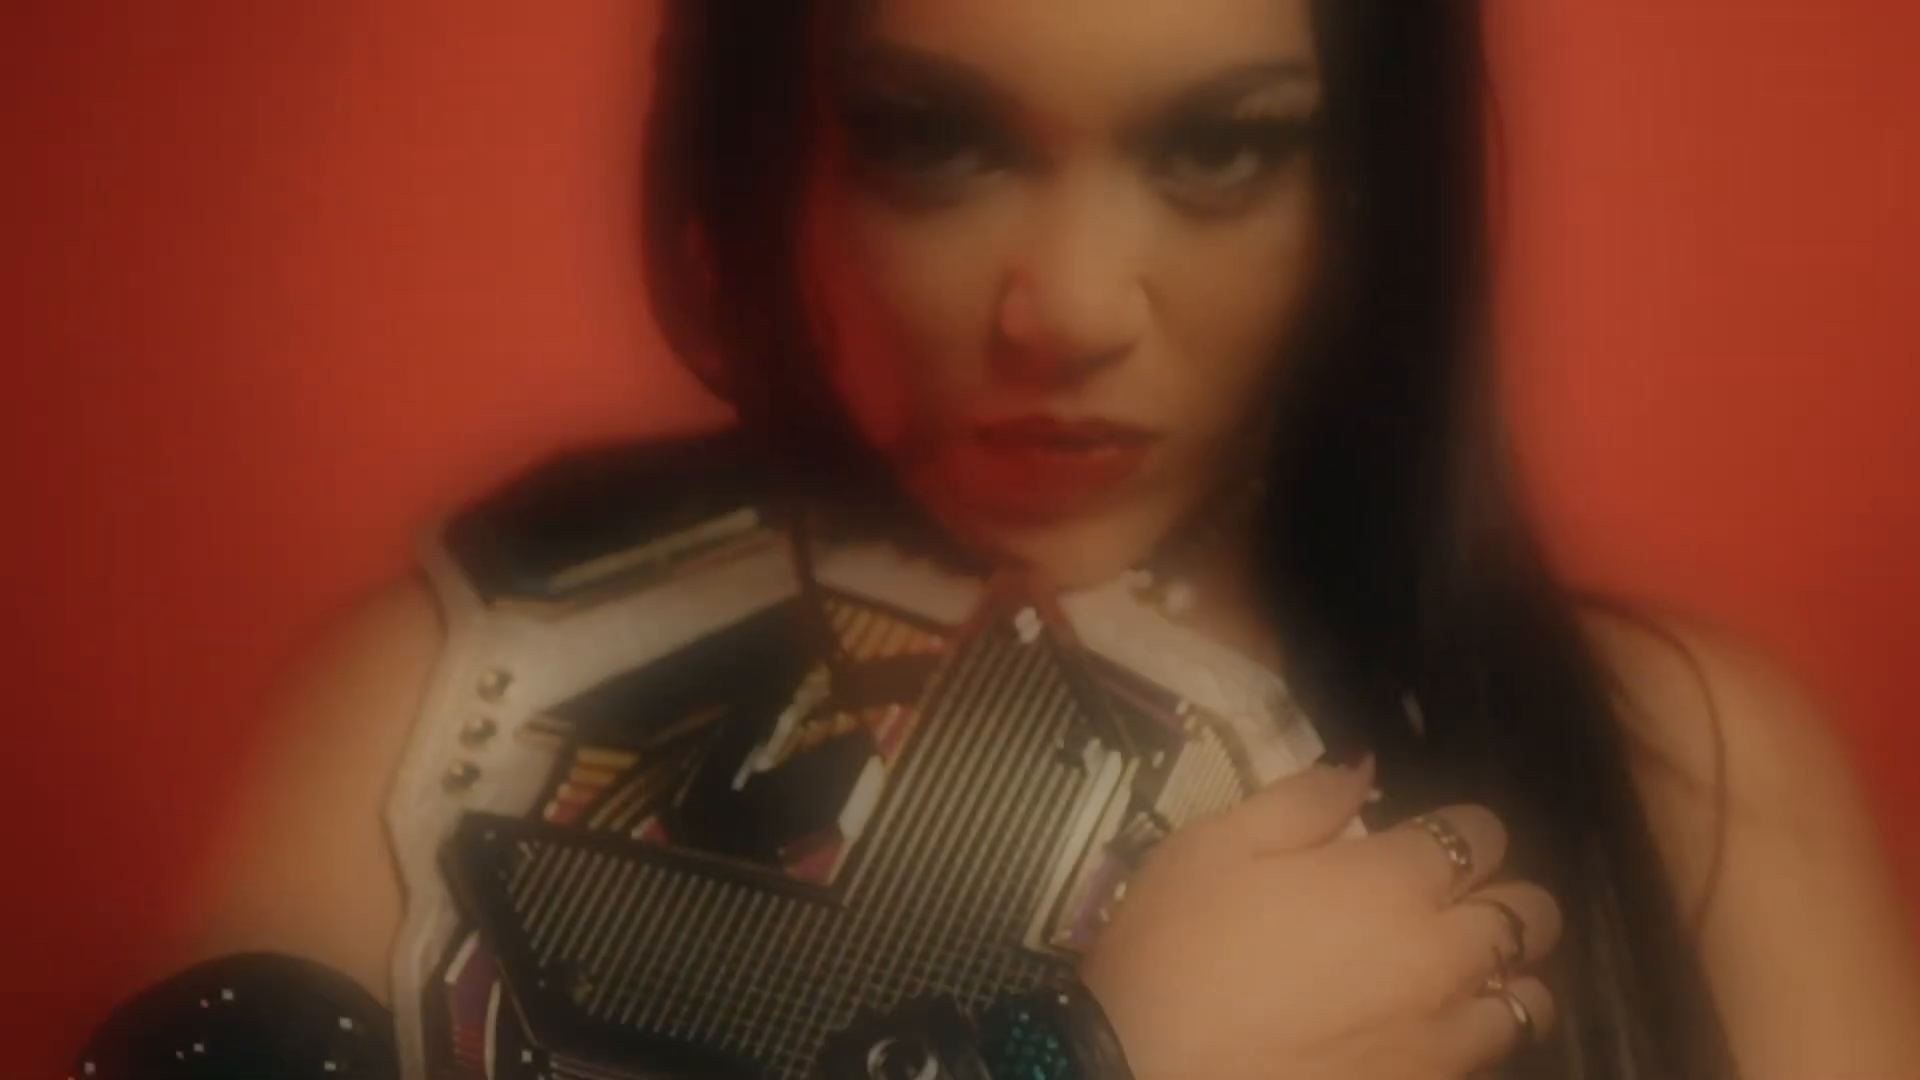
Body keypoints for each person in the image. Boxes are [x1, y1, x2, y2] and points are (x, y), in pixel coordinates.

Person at [74, 1, 1920, 1078]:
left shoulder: (1679, 761)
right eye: (933, 141)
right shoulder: (450, 679)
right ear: (771, 140)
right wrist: (1076, 1063)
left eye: (1221, 148)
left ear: (1372, 176)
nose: (1069, 307)